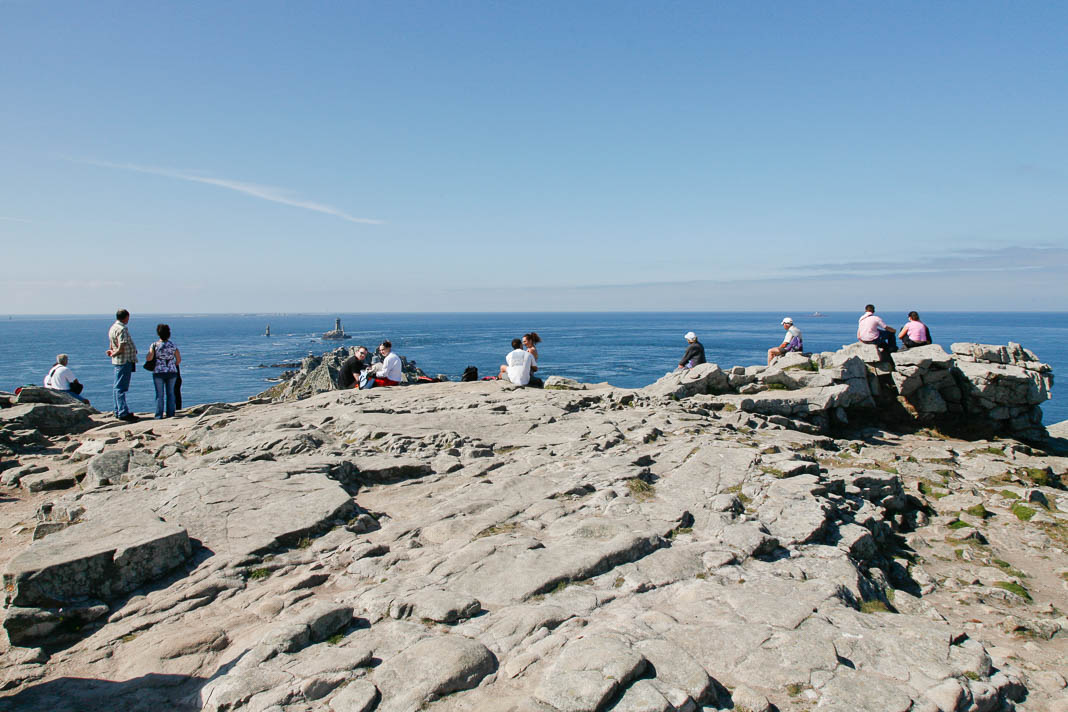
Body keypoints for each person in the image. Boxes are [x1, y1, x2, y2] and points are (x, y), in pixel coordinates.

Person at [106, 308, 138, 422]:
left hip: (118, 361)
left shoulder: (112, 328)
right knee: (121, 387)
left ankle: (117, 410)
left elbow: (111, 344)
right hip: (124, 360)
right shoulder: (122, 329)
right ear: (126, 317)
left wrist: (111, 352)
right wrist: (115, 353)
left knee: (117, 386)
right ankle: (123, 412)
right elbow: (122, 346)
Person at [146, 324, 181, 419]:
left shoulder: (154, 345)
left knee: (159, 394)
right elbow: (178, 360)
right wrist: (172, 364)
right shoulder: (173, 345)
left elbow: (149, 358)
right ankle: (170, 413)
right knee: (171, 393)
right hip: (171, 371)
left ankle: (159, 415)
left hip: (158, 371)